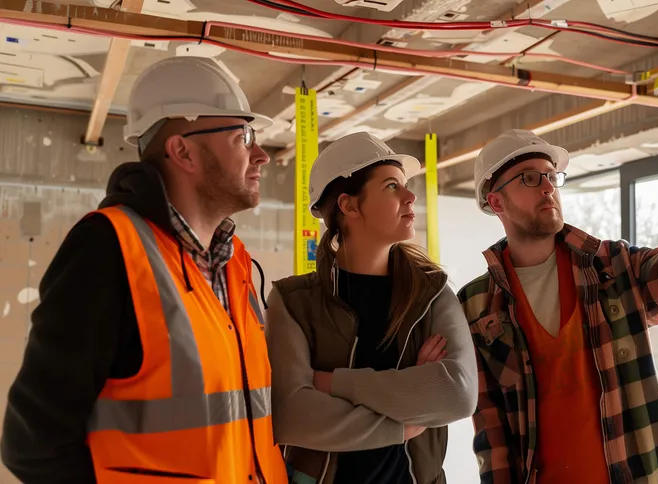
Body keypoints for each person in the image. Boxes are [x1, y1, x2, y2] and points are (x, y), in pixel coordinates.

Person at [0, 57, 289, 484]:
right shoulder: (108, 247)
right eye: (242, 136)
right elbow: (33, 445)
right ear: (183, 151)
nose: (261, 154)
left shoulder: (235, 262)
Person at [460, 93, 658, 483]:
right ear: (496, 201)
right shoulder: (477, 305)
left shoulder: (611, 268)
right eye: (530, 178)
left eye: (551, 176)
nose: (548, 187)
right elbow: (490, 430)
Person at [265, 132, 479, 484]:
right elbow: (291, 415)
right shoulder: (292, 301)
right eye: (392, 186)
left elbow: (457, 394)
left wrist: (333, 384)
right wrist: (406, 420)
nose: (411, 196)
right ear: (349, 206)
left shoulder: (432, 294)